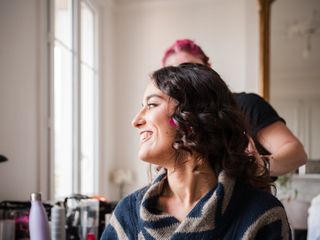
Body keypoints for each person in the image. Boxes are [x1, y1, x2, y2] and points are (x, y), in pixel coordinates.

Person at [101, 63, 291, 239]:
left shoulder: (262, 215)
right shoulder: (127, 215)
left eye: (151, 105)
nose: (136, 121)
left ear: (191, 118)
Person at [161, 39, 307, 177]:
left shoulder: (246, 105)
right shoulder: (170, 120)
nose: (183, 78)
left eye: (190, 68)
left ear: (208, 68)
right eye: (174, 74)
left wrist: (260, 165)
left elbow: (296, 154)